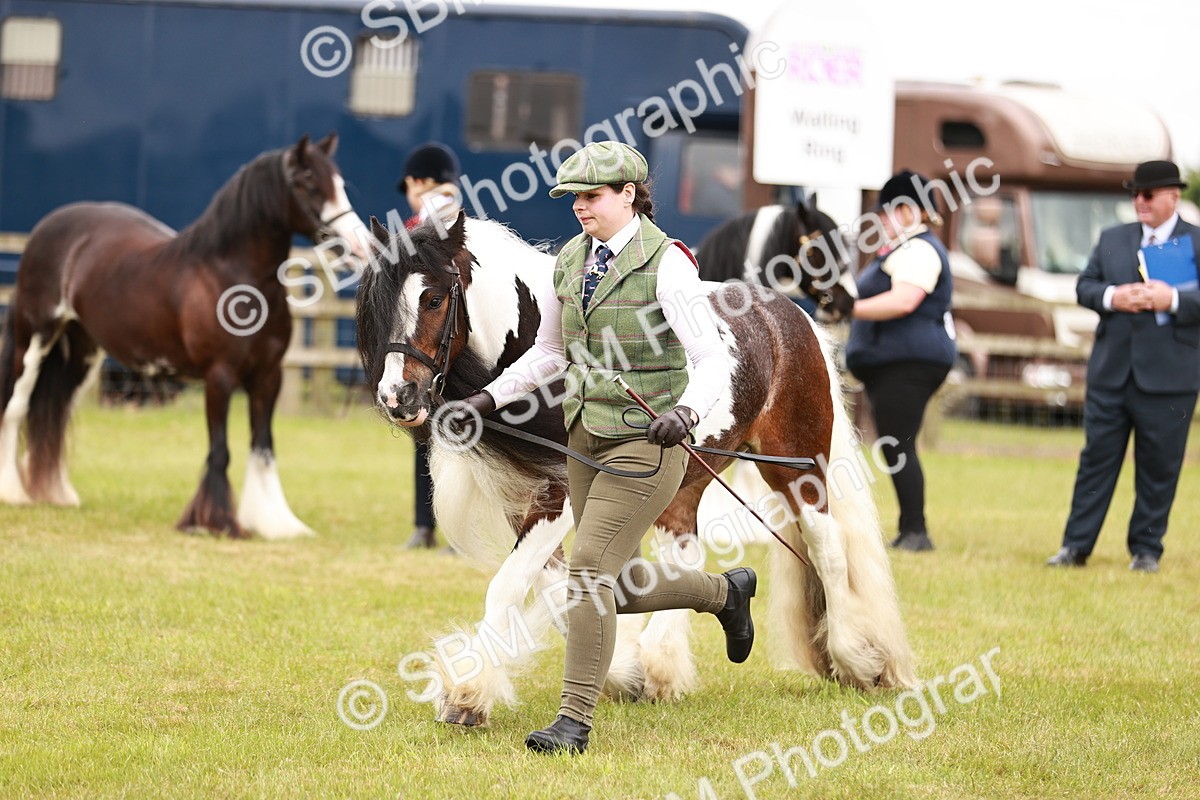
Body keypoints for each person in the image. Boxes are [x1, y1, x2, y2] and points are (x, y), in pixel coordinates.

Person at [455, 141, 755, 755]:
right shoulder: (571, 260)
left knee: (587, 570)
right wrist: (488, 399)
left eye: (592, 196)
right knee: (611, 584)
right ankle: (726, 595)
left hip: (649, 443)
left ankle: (573, 721)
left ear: (629, 195)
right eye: (574, 199)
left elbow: (710, 357)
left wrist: (688, 412)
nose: (580, 209)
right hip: (585, 440)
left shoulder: (667, 264)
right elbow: (551, 353)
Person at [1046, 160, 1200, 573]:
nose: (1139, 202)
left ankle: (1146, 551)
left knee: (1160, 466)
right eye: (1134, 194)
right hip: (1111, 374)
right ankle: (1075, 547)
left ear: (1172, 196)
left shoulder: (1196, 242)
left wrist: (1175, 300)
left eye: (1147, 195)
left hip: (1170, 379)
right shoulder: (1114, 238)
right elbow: (1085, 287)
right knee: (1095, 461)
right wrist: (1115, 296)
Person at [844, 170, 956, 552]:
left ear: (909, 211)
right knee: (896, 445)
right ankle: (911, 528)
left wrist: (851, 309)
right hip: (898, 361)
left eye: (887, 213)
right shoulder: (904, 249)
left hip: (908, 362)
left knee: (899, 444)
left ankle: (915, 531)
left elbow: (904, 300)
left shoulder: (919, 250)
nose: (882, 222)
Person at [398, 142, 463, 549]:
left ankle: (429, 527)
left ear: (420, 181)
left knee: (427, 431)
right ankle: (437, 528)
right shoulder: (457, 212)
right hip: (447, 339)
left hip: (432, 340)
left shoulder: (430, 215)